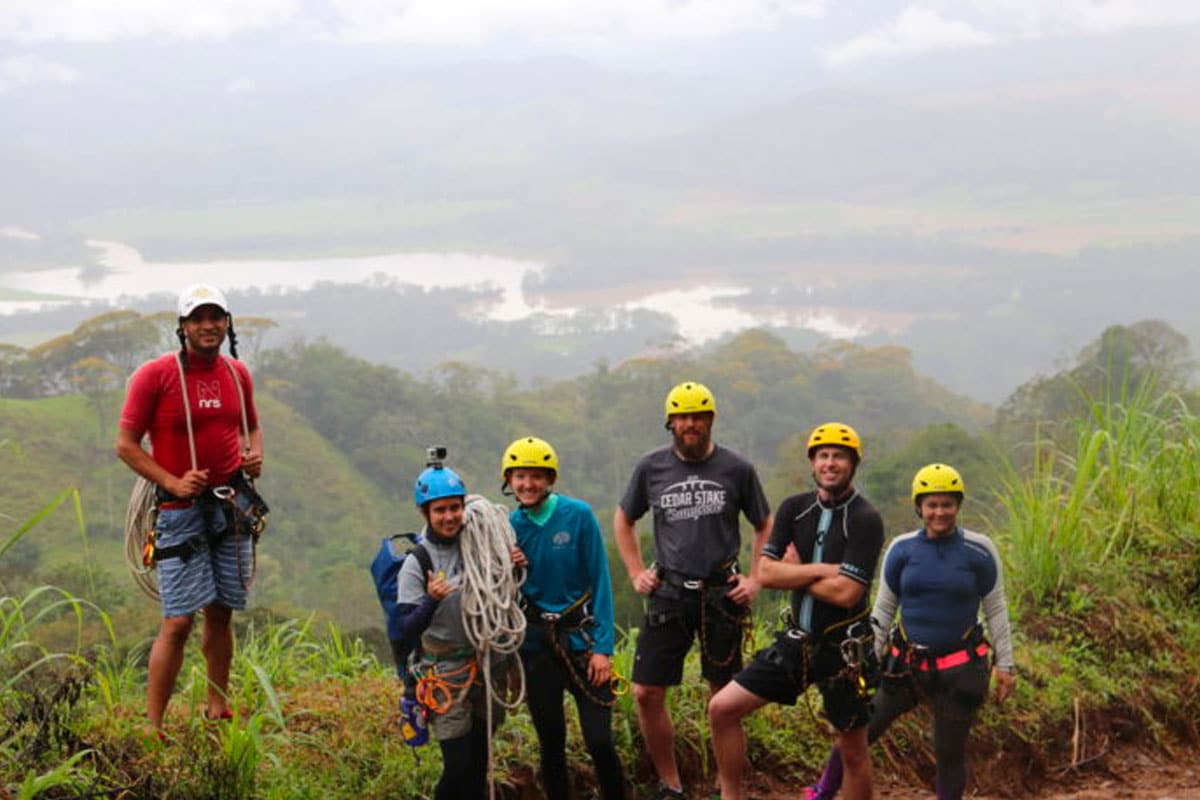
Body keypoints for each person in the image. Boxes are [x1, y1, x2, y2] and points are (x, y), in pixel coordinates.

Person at [806, 463, 1015, 800]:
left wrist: (1005, 665)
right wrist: (867, 661)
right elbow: (884, 610)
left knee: (949, 753)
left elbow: (996, 608)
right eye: (932, 505)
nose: (939, 512)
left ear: (958, 505)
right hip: (904, 667)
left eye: (947, 504)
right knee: (858, 730)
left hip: (960, 670)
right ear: (919, 507)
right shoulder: (902, 549)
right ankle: (822, 792)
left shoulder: (979, 550)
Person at [115, 283, 265, 731]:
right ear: (182, 327)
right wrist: (172, 481)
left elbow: (252, 426)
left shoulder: (236, 373)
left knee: (221, 610)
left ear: (226, 323)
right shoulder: (156, 376)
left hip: (230, 504)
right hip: (179, 510)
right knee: (178, 621)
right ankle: (154, 725)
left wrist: (255, 454)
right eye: (197, 318)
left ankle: (218, 706)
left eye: (215, 317)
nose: (207, 326)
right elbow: (126, 445)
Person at [708, 422, 884, 800]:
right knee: (722, 708)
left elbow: (847, 593)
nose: (830, 463)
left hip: (844, 652)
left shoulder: (865, 518)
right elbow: (766, 573)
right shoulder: (794, 508)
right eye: (823, 456)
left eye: (839, 457)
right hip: (796, 642)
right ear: (812, 462)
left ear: (853, 464)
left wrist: (796, 572)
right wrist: (821, 569)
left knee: (853, 751)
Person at [614, 381, 772, 799]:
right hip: (669, 592)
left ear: (710, 420)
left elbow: (765, 524)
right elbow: (624, 519)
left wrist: (756, 578)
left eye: (698, 416)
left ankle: (727, 790)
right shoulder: (651, 467)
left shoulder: (737, 469)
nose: (690, 424)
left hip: (722, 595)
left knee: (724, 698)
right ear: (670, 422)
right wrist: (635, 572)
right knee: (646, 692)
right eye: (682, 417)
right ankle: (671, 786)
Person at [504, 436, 627, 800]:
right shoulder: (508, 527)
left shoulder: (578, 515)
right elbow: (502, 594)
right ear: (509, 480)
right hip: (536, 645)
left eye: (536, 476)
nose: (528, 484)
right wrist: (507, 565)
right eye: (520, 476)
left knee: (599, 740)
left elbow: (600, 580)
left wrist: (603, 648)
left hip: (582, 641)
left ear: (550, 479)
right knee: (551, 742)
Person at [395, 454, 524, 800]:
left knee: (479, 762)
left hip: (488, 664)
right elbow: (405, 629)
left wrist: (513, 567)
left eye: (455, 508)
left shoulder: (481, 545)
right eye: (440, 510)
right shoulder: (417, 562)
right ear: (425, 513)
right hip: (446, 673)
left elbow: (505, 600)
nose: (450, 517)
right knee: (457, 766)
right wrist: (431, 600)